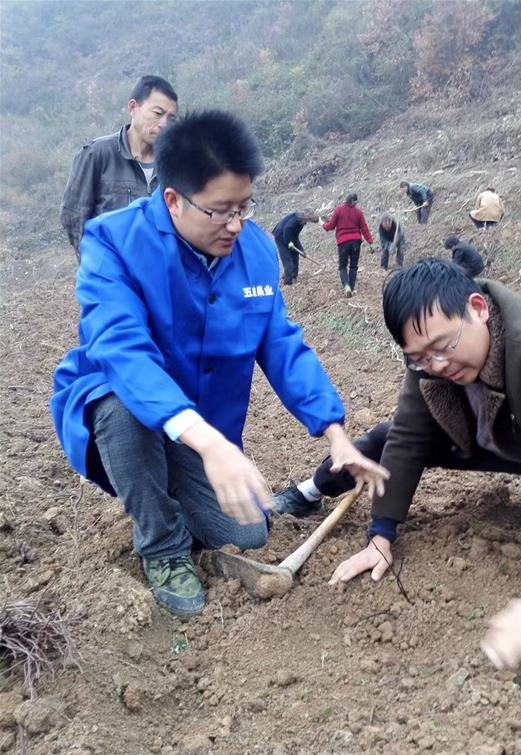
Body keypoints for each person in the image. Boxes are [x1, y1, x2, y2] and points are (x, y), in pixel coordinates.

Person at [51, 111, 389, 620]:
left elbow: (281, 344)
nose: (236, 224)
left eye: (244, 207)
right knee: (118, 403)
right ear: (173, 200)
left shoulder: (254, 251)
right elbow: (123, 351)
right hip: (128, 408)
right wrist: (210, 446)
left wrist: (336, 434)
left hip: (201, 432)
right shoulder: (114, 243)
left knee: (248, 532)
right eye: (220, 211)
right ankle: (162, 546)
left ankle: (165, 493)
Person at [273, 259, 521, 670]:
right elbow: (408, 438)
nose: (437, 365)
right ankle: (306, 493)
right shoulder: (429, 358)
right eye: (419, 357)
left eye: (443, 347)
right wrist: (381, 535)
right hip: (503, 432)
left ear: (477, 309)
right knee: (382, 441)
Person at [61, 75, 179, 257]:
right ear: (133, 108)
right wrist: (96, 263)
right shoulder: (97, 154)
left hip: (160, 271)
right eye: (157, 113)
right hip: (109, 269)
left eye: (170, 118)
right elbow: (74, 216)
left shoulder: (176, 162)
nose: (164, 124)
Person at [322, 193, 374, 297]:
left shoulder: (338, 210)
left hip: (343, 242)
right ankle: (352, 286)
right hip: (356, 242)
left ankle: (346, 286)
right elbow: (364, 227)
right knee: (353, 266)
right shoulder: (358, 212)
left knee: (342, 266)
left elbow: (331, 226)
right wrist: (370, 242)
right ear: (355, 201)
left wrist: (323, 225)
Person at [271, 209, 319, 285]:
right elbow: (287, 229)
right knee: (287, 258)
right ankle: (288, 281)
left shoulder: (302, 222)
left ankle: (293, 276)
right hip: (280, 235)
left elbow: (295, 236)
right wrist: (289, 243)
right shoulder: (296, 220)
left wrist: (301, 250)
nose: (309, 220)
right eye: (309, 217)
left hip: (288, 236)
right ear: (305, 214)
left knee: (295, 255)